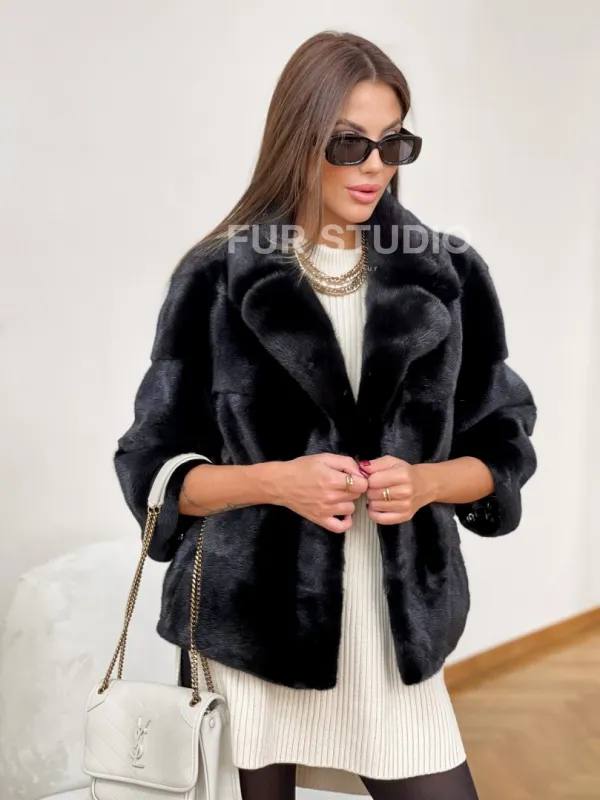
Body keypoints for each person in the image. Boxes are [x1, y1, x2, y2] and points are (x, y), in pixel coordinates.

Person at [114, 30, 537, 800]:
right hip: (249, 630)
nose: (374, 165)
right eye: (349, 143)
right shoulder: (216, 277)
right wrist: (278, 483)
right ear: (299, 138)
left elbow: (503, 445)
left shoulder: (450, 273)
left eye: (393, 143)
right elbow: (152, 468)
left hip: (394, 628)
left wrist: (430, 482)